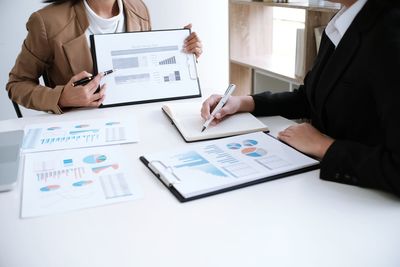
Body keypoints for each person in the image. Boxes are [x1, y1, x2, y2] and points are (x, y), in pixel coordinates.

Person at [201, 0, 400, 196]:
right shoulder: (344, 21)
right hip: (326, 188)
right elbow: (311, 98)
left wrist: (322, 146)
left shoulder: (391, 29)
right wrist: (243, 102)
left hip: (366, 202)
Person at [6, 0, 203, 114]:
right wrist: (60, 98)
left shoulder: (139, 9)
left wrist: (182, 54)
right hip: (81, 133)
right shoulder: (46, 21)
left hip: (139, 124)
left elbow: (149, 76)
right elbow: (17, 84)